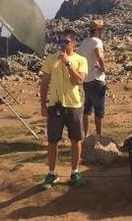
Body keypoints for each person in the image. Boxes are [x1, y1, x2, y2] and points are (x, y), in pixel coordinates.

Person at [39, 29, 88, 188]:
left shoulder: (80, 60)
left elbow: (79, 80)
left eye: (65, 41)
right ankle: (52, 173)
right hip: (55, 106)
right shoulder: (50, 59)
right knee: (52, 141)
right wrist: (43, 104)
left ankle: (75, 172)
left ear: (73, 42)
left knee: (75, 140)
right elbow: (45, 82)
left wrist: (67, 63)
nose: (62, 44)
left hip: (74, 105)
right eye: (59, 41)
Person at [77, 19, 107, 137]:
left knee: (87, 109)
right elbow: (99, 55)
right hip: (97, 78)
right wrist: (103, 68)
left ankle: (86, 134)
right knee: (99, 111)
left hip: (87, 79)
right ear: (98, 30)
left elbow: (78, 57)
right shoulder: (97, 41)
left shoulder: (84, 42)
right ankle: (99, 136)